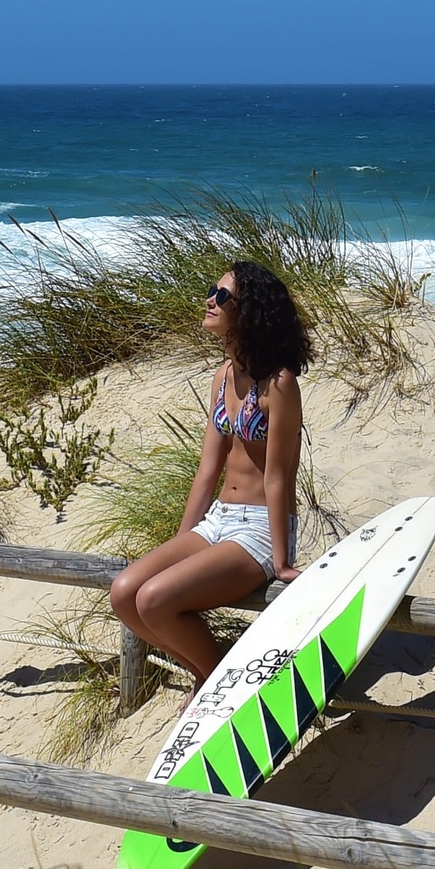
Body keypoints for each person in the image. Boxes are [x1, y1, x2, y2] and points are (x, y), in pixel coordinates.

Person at [109, 259, 310, 681]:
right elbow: (207, 471)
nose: (209, 301)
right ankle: (204, 673)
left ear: (249, 312)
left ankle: (215, 682)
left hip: (257, 530)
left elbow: (278, 477)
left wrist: (282, 561)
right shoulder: (222, 377)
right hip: (218, 519)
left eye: (222, 296)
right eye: (211, 291)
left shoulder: (279, 384)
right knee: (126, 593)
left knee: (154, 600)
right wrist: (182, 544)